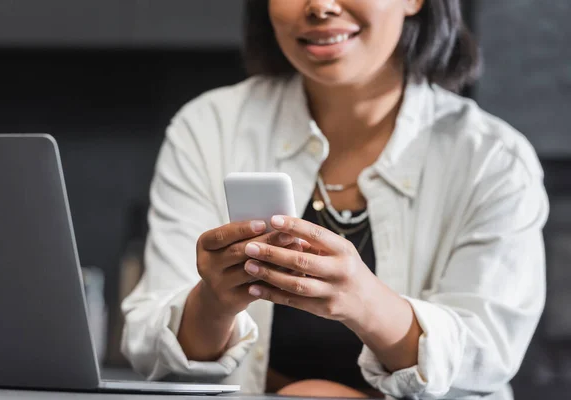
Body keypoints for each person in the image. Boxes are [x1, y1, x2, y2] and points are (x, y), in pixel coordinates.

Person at [120, 0, 549, 399]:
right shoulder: (209, 128)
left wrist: (367, 304)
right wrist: (214, 301)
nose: (320, 6)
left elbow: (486, 357)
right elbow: (149, 349)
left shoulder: (493, 158)